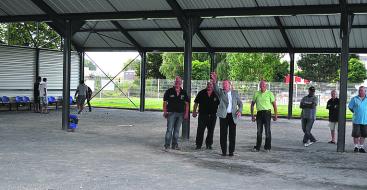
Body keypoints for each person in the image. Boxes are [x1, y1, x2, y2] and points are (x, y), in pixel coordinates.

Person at [211, 72, 243, 156]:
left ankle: (231, 152)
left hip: (233, 116)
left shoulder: (235, 93)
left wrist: (239, 110)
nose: (224, 85)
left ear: (230, 85)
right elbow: (215, 88)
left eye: (226, 84)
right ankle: (224, 152)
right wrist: (214, 81)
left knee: (232, 135)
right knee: (223, 134)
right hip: (223, 116)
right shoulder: (221, 93)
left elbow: (240, 104)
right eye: (223, 84)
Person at [163, 76, 189, 150]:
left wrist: (186, 113)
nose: (177, 83)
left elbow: (187, 104)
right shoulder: (169, 91)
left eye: (179, 82)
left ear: (181, 83)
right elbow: (165, 102)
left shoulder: (184, 92)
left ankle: (175, 145)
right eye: (176, 81)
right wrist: (165, 111)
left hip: (180, 114)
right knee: (169, 129)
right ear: (175, 82)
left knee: (177, 130)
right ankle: (167, 145)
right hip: (171, 113)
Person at [250, 80, 278, 152]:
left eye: (263, 85)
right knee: (259, 131)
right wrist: (252, 116)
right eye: (261, 85)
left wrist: (275, 115)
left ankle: (267, 147)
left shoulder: (270, 93)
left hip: (267, 113)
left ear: (266, 86)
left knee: (267, 131)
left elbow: (274, 105)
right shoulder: (256, 93)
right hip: (259, 114)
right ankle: (257, 147)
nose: (262, 87)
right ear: (259, 86)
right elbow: (252, 105)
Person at [192, 81, 220, 150]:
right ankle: (198, 145)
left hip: (213, 116)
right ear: (206, 85)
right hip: (202, 115)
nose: (209, 86)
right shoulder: (201, 93)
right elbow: (196, 103)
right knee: (200, 130)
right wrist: (194, 111)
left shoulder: (216, 94)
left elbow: (221, 104)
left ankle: (209, 144)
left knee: (211, 131)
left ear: (213, 86)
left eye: (211, 84)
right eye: (208, 84)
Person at [348, 86, 367, 153]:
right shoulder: (354, 99)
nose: (360, 91)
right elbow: (350, 107)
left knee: (364, 134)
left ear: (365, 91)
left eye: (362, 90)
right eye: (359, 90)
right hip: (356, 120)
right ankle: (355, 147)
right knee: (356, 134)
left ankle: (361, 147)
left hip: (365, 120)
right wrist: (355, 112)